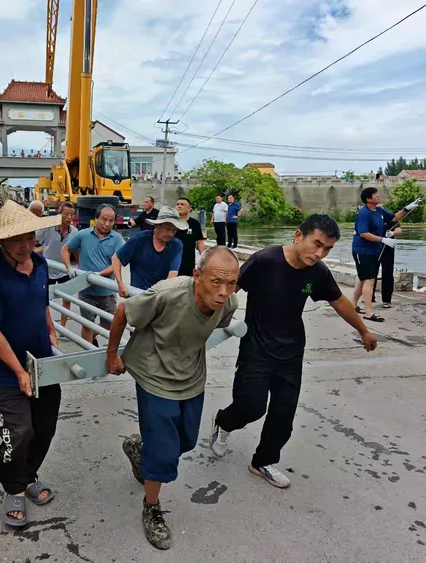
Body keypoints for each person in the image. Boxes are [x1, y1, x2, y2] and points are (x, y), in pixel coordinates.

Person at [209, 214, 379, 489]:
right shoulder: (264, 261)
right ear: (298, 236)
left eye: (328, 249)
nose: (320, 253)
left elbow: (339, 301)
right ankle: (224, 422)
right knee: (250, 407)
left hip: (291, 352)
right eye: (317, 244)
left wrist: (363, 330)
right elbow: (227, 290)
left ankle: (263, 461)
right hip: (256, 349)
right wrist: (200, 319)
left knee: (283, 415)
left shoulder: (318, 272)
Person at [106, 246, 240, 550]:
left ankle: (140, 450)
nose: (223, 292)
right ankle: (151, 507)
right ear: (197, 276)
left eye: (231, 283)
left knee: (186, 441)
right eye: (216, 282)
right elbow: (123, 311)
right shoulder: (167, 294)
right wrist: (112, 355)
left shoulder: (228, 302)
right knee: (164, 453)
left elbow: (209, 325)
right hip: (153, 373)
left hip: (191, 376)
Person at [0, 200, 62, 527]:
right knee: (19, 431)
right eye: (16, 240)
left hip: (43, 364)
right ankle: (14, 488)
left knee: (44, 428)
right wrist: (19, 371)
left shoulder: (40, 264)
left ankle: (28, 475)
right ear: (0, 240)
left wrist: (51, 331)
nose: (25, 246)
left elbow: (42, 304)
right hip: (4, 372)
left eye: (30, 238)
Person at [351, 187, 420, 322]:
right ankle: (368, 312)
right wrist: (383, 239)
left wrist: (407, 208)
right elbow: (363, 233)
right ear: (368, 199)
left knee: (363, 279)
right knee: (369, 280)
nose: (378, 196)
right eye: (375, 195)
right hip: (362, 251)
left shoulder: (378, 210)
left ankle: (352, 305)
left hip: (373, 250)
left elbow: (394, 217)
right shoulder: (364, 213)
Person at [61, 204, 125, 346]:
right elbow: (65, 249)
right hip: (86, 291)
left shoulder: (117, 239)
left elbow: (117, 263)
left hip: (107, 292)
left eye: (111, 220)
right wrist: (69, 268)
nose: (107, 224)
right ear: (96, 219)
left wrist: (100, 274)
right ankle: (88, 350)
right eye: (103, 219)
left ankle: (92, 337)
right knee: (87, 325)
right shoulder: (83, 235)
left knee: (110, 324)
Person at [113, 206, 184, 296]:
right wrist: (120, 284)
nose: (170, 234)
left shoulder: (176, 245)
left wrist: (162, 293)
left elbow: (173, 273)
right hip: (137, 295)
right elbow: (116, 259)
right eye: (167, 229)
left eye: (174, 230)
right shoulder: (139, 239)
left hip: (160, 295)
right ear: (157, 225)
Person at [36, 203, 78, 327]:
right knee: (44, 298)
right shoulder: (49, 228)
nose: (69, 217)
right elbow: (35, 240)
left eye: (72, 215)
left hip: (65, 269)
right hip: (47, 268)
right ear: (59, 214)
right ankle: (45, 324)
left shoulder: (74, 232)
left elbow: (76, 250)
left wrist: (80, 266)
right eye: (66, 214)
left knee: (67, 298)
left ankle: (62, 327)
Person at [373, 213, 402, 309]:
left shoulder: (389, 217)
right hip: (374, 247)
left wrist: (392, 233)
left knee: (388, 273)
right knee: (372, 272)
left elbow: (399, 230)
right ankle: (370, 296)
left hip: (388, 247)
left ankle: (386, 300)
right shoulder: (370, 216)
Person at [174, 197, 206, 277]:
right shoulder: (171, 223)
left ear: (189, 209)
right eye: (177, 204)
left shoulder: (195, 224)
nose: (179, 206)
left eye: (182, 204)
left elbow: (200, 241)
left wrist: (204, 258)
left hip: (188, 262)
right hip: (172, 260)